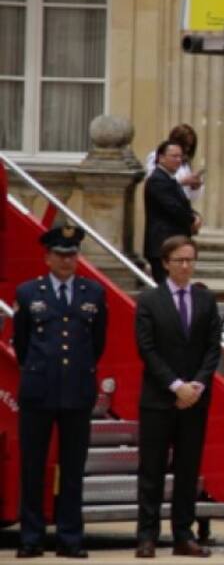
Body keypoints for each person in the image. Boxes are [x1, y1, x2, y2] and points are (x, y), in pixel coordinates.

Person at [12, 226, 107, 559]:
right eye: (60, 255)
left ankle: (70, 537)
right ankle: (31, 537)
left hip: (77, 391)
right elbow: (22, 344)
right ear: (47, 257)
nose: (67, 261)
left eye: (72, 254)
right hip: (38, 391)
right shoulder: (28, 293)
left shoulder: (92, 293)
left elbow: (97, 343)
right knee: (33, 466)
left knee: (72, 468)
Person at [134, 235, 221, 558]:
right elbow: (147, 348)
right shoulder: (149, 301)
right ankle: (147, 536)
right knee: (152, 470)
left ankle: (183, 534)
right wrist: (175, 385)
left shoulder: (205, 300)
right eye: (180, 260)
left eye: (190, 260)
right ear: (166, 263)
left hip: (194, 401)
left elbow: (213, 347)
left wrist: (196, 385)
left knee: (187, 470)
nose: (186, 266)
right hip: (159, 398)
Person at [143, 141, 201, 283]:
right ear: (161, 158)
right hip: (164, 245)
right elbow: (174, 208)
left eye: (180, 157)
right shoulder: (158, 180)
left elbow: (183, 205)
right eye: (174, 156)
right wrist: (192, 219)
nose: (178, 160)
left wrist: (195, 215)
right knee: (166, 291)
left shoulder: (169, 180)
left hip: (173, 244)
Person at [144, 124, 204, 203]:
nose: (187, 149)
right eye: (184, 145)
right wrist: (183, 181)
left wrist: (195, 187)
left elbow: (189, 197)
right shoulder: (156, 156)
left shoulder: (184, 164)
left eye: (189, 146)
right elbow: (155, 185)